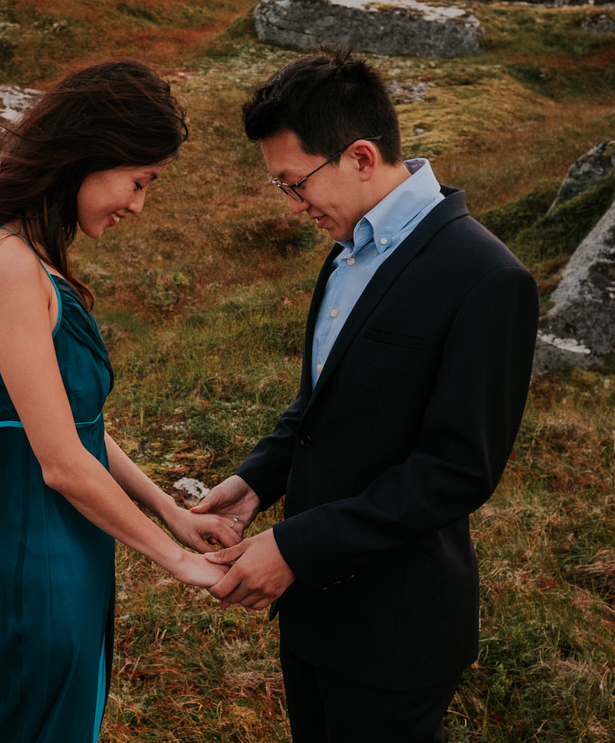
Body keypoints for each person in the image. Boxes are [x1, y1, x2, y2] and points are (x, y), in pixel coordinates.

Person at [193, 51, 538, 743]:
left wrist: (295, 546)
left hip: (394, 629)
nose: (293, 208)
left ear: (359, 156)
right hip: (313, 614)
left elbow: (456, 471)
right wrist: (255, 481)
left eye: (295, 185)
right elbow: (319, 408)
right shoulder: (346, 251)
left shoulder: (487, 277)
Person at [0, 59, 236, 743]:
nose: (137, 205)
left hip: (74, 552)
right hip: (38, 562)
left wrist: (170, 511)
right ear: (91, 155)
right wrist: (178, 562)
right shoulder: (7, 263)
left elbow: (77, 429)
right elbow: (62, 462)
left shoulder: (33, 257)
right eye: (138, 181)